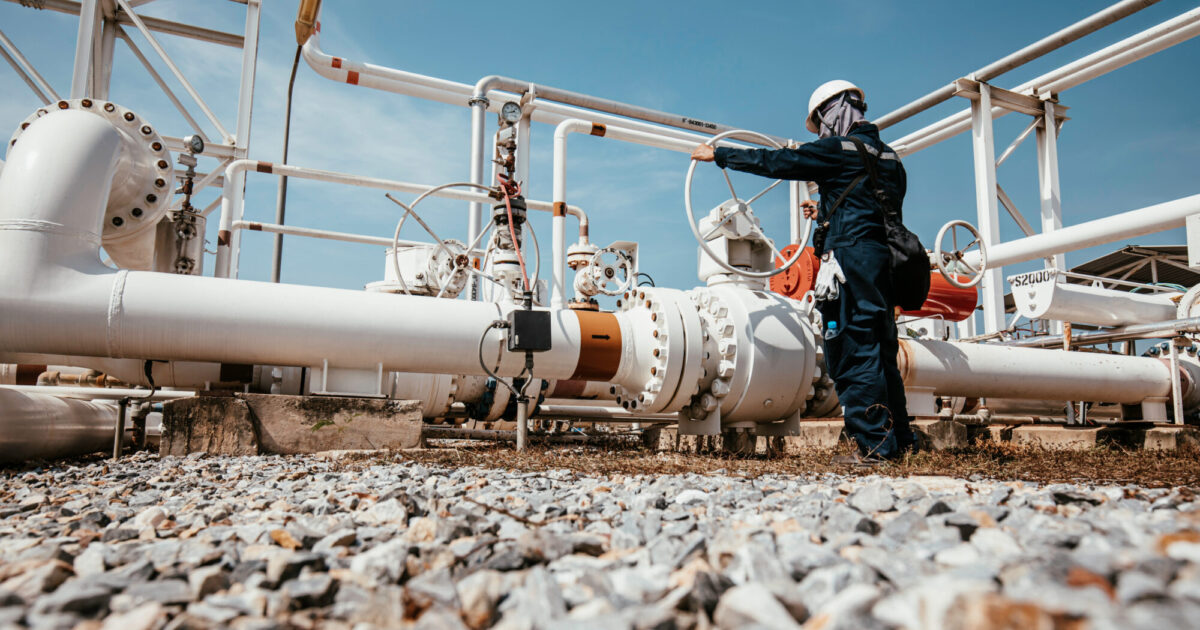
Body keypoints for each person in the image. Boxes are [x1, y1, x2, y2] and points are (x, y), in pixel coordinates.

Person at [691, 80, 914, 463]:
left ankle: (873, 447)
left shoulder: (838, 149)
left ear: (832, 112)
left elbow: (780, 162)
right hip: (883, 264)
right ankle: (900, 442)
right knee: (882, 351)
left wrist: (721, 154)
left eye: (821, 121)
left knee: (853, 350)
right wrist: (826, 211)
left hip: (850, 263)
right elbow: (872, 207)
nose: (821, 130)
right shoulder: (892, 159)